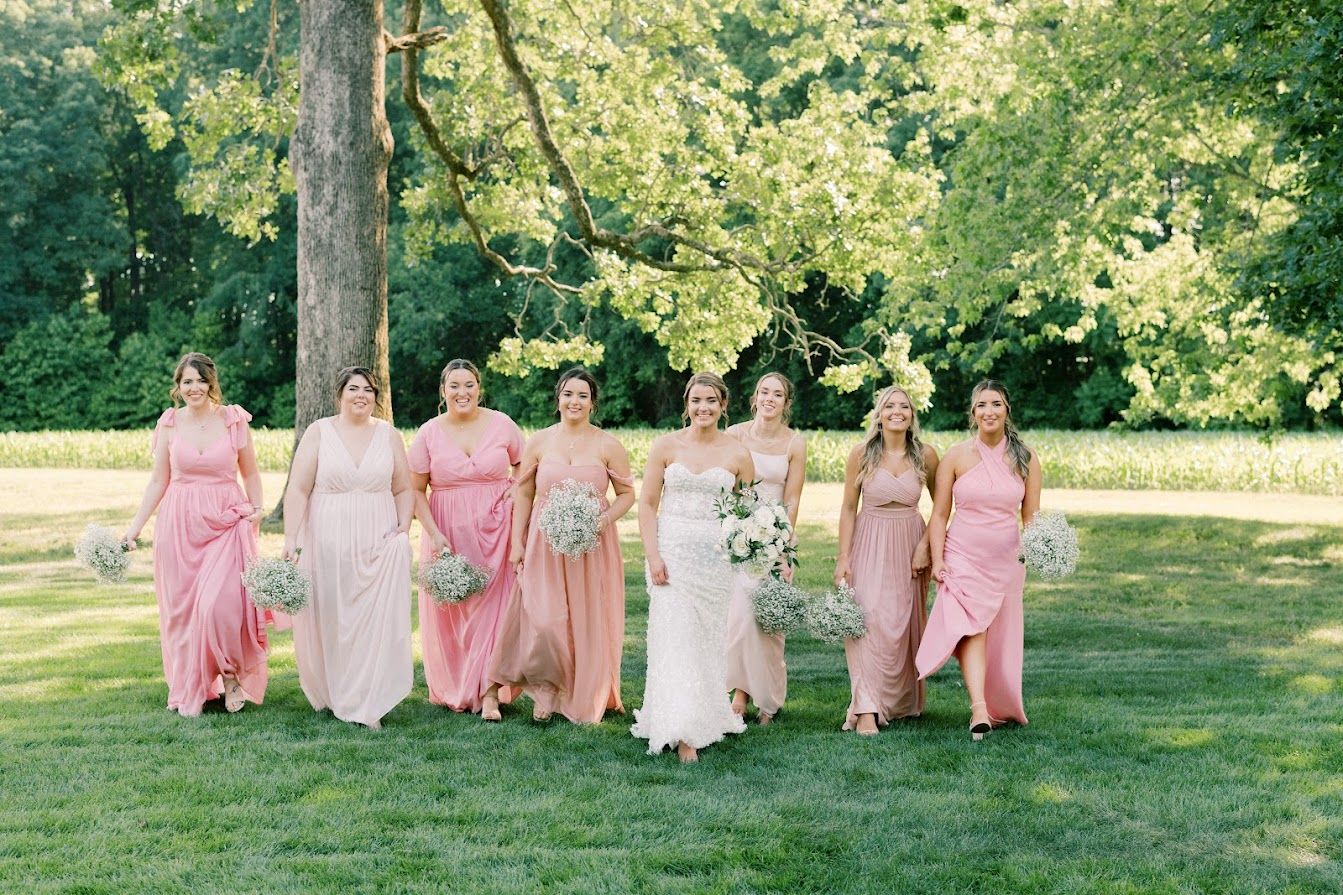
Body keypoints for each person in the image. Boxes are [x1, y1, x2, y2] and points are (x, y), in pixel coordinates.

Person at [124, 352, 268, 716]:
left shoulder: (234, 420)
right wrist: (135, 527)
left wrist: (257, 511)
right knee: (183, 612)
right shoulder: (170, 423)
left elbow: (250, 473)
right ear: (178, 386)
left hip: (224, 520)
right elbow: (159, 479)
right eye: (186, 382)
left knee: (220, 605)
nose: (193, 388)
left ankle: (232, 675)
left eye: (199, 381)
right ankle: (192, 684)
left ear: (211, 383)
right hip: (179, 524)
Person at [489, 368, 636, 723]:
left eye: (582, 395)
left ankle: (583, 693)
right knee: (545, 617)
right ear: (558, 399)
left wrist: (599, 521)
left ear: (592, 403)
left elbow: (628, 495)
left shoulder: (608, 445)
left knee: (586, 620)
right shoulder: (539, 441)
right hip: (544, 542)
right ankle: (545, 689)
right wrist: (517, 543)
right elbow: (524, 492)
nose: (575, 401)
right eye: (568, 394)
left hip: (592, 546)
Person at [632, 372, 754, 763]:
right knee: (675, 637)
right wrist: (653, 556)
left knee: (706, 641)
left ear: (723, 405)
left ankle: (703, 714)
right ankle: (682, 730)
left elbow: (748, 512)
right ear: (687, 404)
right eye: (696, 400)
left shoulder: (737, 453)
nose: (703, 408)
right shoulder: (666, 446)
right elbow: (648, 503)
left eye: (711, 401)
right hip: (672, 555)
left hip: (716, 563)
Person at [284, 366, 414, 730]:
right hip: (328, 538)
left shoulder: (388, 434)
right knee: (336, 617)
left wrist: (403, 527)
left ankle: (368, 700)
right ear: (339, 394)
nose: (361, 395)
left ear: (376, 396)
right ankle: (340, 692)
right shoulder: (320, 432)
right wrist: (291, 538)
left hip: (378, 537)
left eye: (368, 389)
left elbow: (404, 488)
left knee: (373, 620)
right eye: (353, 388)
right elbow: (298, 489)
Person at [916, 379, 1040, 738]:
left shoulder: (1026, 457)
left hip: (1005, 560)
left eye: (996, 404)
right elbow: (939, 514)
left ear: (1007, 411)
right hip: (962, 555)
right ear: (973, 413)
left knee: (999, 634)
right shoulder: (956, 455)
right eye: (982, 405)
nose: (989, 411)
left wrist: (1039, 552)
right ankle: (979, 709)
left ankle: (999, 702)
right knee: (972, 627)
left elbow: (1030, 518)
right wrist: (938, 560)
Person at [408, 359, 523, 720]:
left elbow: (525, 463)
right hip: (447, 530)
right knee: (454, 614)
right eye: (454, 386)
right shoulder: (428, 432)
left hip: (497, 529)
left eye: (469, 385)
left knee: (496, 609)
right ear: (443, 392)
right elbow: (415, 491)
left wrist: (516, 489)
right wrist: (434, 534)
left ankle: (489, 692)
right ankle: (459, 685)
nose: (462, 392)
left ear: (479, 388)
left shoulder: (502, 423)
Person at [834, 386, 939, 735]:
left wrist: (926, 545)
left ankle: (893, 703)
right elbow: (849, 509)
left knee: (899, 624)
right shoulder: (861, 454)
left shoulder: (926, 455)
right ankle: (865, 708)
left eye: (904, 406)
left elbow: (942, 509)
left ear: (912, 415)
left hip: (909, 542)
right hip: (869, 537)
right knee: (867, 619)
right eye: (889, 406)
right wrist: (842, 558)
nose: (897, 411)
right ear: (878, 414)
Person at [723, 372, 806, 726]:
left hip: (775, 537)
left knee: (767, 624)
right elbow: (726, 487)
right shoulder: (735, 435)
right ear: (754, 398)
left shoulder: (794, 443)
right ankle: (740, 692)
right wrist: (732, 527)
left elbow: (792, 497)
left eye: (777, 394)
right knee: (739, 619)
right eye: (763, 392)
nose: (769, 399)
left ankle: (768, 701)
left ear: (786, 403)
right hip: (739, 536)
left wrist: (785, 547)